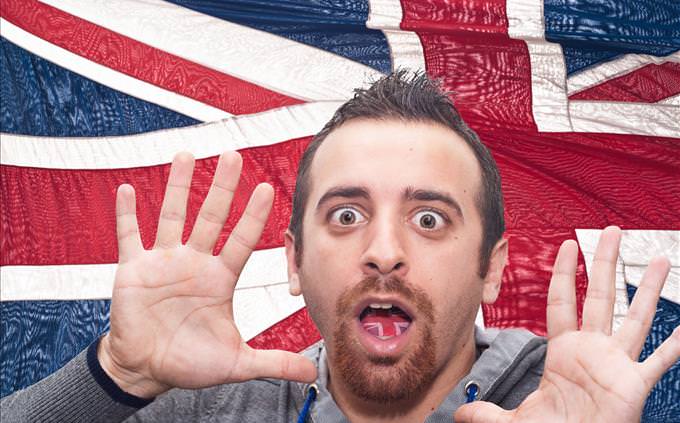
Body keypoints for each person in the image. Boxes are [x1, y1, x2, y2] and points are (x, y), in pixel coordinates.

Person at [1, 71, 678, 423]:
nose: (384, 250)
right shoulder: (208, 405)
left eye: (431, 220)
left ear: (492, 268)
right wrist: (115, 373)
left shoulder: (565, 404)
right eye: (347, 213)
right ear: (294, 262)